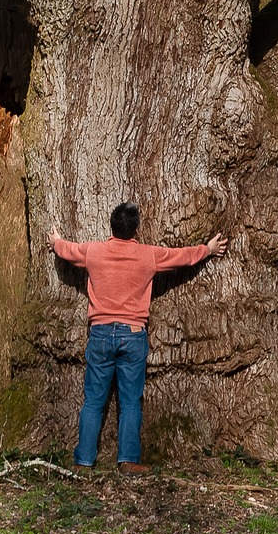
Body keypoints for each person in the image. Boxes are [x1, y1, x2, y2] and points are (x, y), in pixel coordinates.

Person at [47, 202, 228, 473]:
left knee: (94, 401)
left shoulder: (94, 252)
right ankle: (128, 461)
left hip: (101, 334)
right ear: (136, 229)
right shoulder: (147, 255)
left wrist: (56, 240)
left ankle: (84, 461)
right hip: (132, 335)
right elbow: (181, 256)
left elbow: (68, 250)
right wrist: (208, 250)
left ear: (111, 225)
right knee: (130, 401)